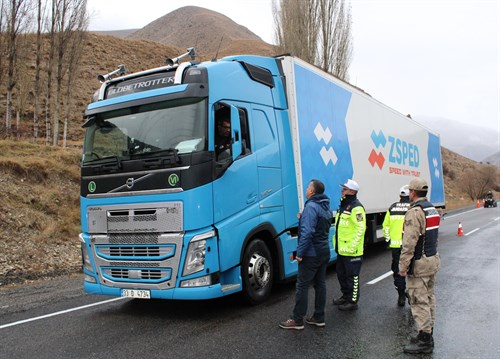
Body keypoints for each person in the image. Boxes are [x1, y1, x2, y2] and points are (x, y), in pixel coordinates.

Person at [279, 179, 332, 330]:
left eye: (309, 187)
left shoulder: (311, 207)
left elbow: (308, 232)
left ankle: (297, 320)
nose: (306, 189)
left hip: (311, 253)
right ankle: (318, 317)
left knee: (302, 285)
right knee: (320, 284)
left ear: (312, 192)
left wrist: (300, 253)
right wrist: (303, 218)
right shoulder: (325, 207)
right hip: (323, 251)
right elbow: (319, 227)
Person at [399, 178, 441, 354]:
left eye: (409, 191)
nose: (409, 194)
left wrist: (403, 266)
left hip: (419, 264)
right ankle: (428, 333)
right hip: (432, 260)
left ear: (413, 192)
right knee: (429, 298)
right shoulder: (432, 209)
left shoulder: (415, 212)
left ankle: (424, 340)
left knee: (418, 300)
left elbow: (409, 243)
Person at [332, 179, 366, 311]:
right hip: (342, 249)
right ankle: (345, 296)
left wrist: (352, 246)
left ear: (352, 191)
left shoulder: (356, 207)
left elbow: (360, 228)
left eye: (345, 189)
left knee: (352, 277)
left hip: (352, 251)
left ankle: (352, 301)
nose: (342, 191)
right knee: (341, 274)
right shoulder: (343, 206)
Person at [382, 185, 411, 306]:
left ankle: (401, 297)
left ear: (400, 196)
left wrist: (389, 239)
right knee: (412, 271)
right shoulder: (413, 207)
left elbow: (385, 225)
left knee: (398, 271)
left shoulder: (392, 207)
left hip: (395, 246)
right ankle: (412, 294)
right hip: (409, 246)